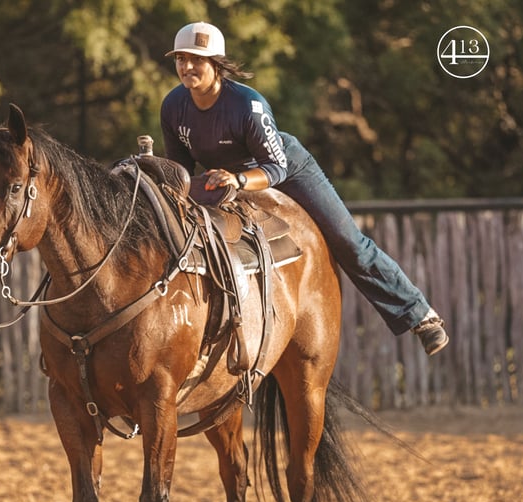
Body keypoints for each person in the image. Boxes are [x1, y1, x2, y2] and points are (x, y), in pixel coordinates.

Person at [160, 21, 449, 355]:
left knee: (348, 242)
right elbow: (180, 171)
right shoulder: (172, 106)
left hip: (284, 168)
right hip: (224, 178)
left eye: (196, 59)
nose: (187, 67)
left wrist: (238, 180)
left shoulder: (247, 106)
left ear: (217, 64)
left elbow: (275, 166)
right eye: (181, 59)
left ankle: (420, 315)